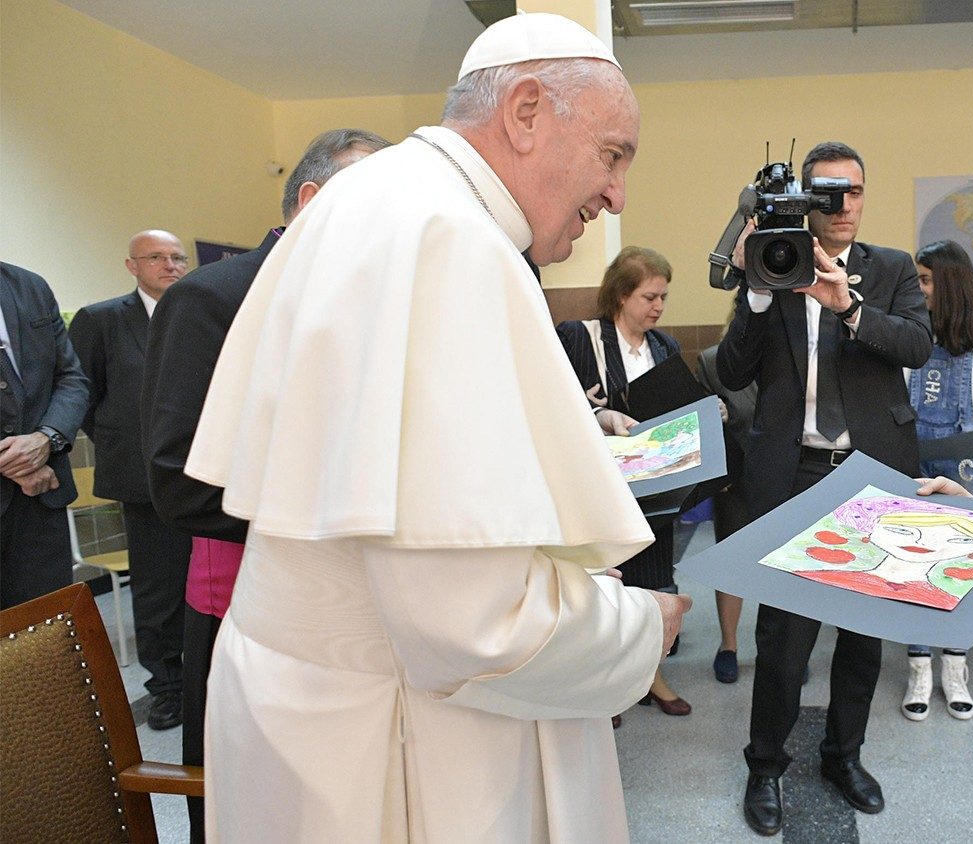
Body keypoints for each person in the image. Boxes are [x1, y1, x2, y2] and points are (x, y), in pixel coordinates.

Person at [181, 15, 690, 840]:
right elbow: (471, 625)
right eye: (613, 154)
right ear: (526, 111)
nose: (617, 194)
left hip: (310, 702)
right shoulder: (450, 239)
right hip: (392, 731)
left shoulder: (372, 197)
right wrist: (637, 626)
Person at [141, 127, 389, 842]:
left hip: (353, 602)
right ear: (310, 200)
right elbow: (179, 479)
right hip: (245, 604)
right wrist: (351, 507)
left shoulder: (371, 300)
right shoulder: (210, 297)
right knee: (248, 812)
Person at [717, 140, 931, 835]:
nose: (843, 206)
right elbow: (731, 368)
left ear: (866, 198)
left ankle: (844, 755)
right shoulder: (774, 265)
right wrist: (754, 286)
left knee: (866, 634)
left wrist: (850, 308)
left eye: (855, 192)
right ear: (803, 199)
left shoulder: (889, 268)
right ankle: (766, 764)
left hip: (873, 472)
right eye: (829, 193)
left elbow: (916, 346)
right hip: (795, 472)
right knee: (784, 636)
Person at [556, 245, 690, 718]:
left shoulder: (665, 347)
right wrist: (599, 413)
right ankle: (607, 682)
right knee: (605, 583)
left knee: (654, 579)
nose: (657, 307)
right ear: (620, 296)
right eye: (648, 297)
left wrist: (703, 413)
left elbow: (676, 408)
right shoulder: (579, 337)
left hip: (655, 485)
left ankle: (650, 675)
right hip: (597, 486)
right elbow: (552, 402)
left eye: (663, 298)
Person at [68, 230, 195, 731]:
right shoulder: (102, 320)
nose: (170, 265)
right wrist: (125, 443)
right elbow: (83, 395)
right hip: (143, 481)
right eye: (157, 257)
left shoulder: (196, 311)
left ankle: (207, 677)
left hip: (200, 474)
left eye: (177, 257)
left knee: (204, 580)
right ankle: (165, 688)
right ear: (131, 265)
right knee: (159, 587)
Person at [901, 239, 973, 722]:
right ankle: (918, 665)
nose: (919, 288)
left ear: (948, 282)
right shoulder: (908, 328)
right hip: (914, 449)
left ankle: (955, 663)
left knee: (964, 559)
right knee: (912, 556)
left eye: (925, 280)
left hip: (966, 456)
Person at [0, 262, 87, 608]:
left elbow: (71, 379)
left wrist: (44, 439)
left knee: (46, 638)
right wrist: (16, 460)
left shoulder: (28, 286)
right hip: (33, 475)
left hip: (41, 502)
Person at [697, 327, 758, 685]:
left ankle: (780, 643)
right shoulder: (712, 361)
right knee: (731, 561)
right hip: (735, 473)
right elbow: (701, 422)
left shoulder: (790, 357)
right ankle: (729, 645)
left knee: (784, 562)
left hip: (784, 472)